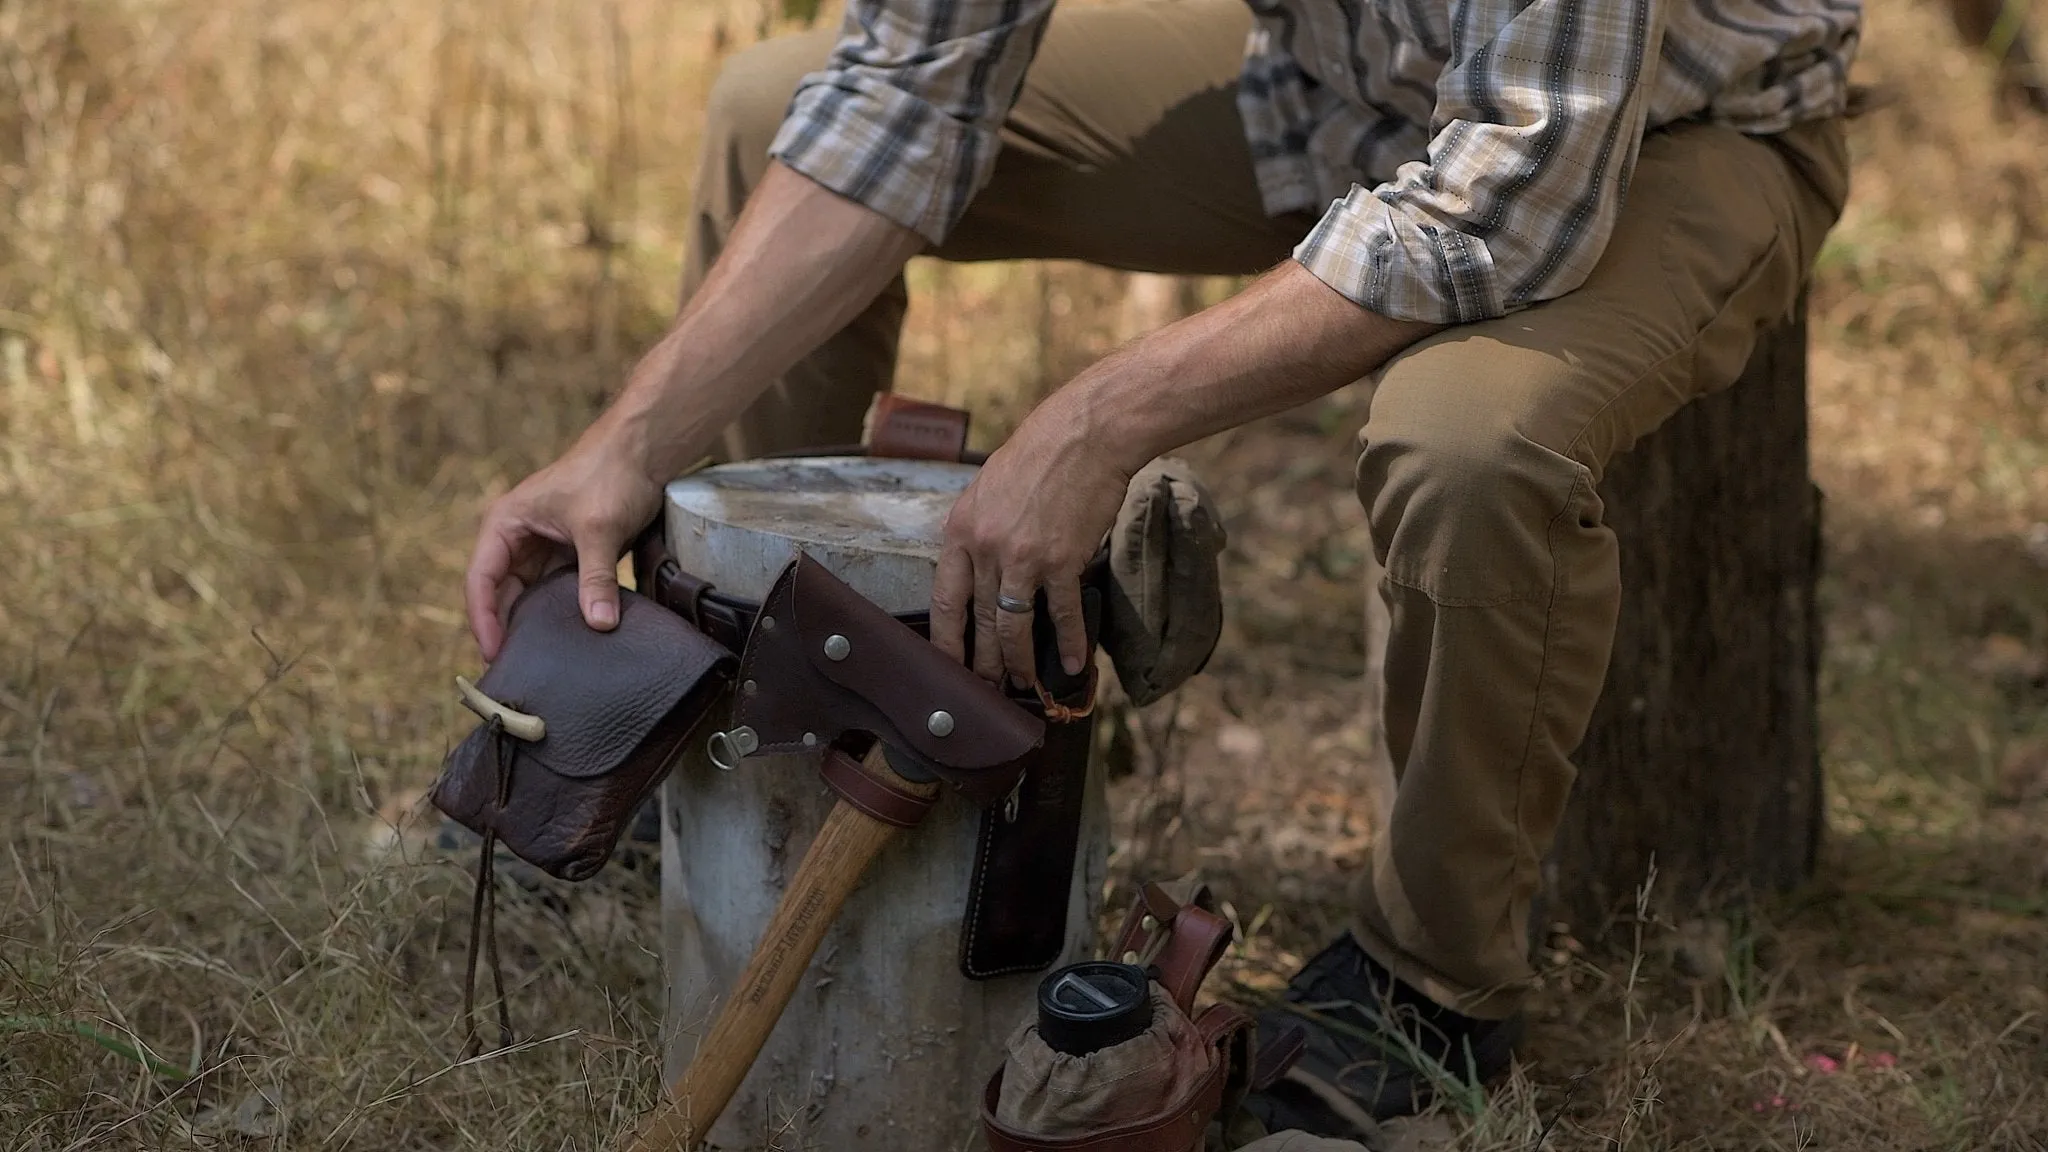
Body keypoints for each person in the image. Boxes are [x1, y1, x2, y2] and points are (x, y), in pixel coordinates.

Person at [461, 0, 1856, 1135]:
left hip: (1654, 137)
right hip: (1329, 89)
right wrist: (626, 443)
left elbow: (1510, 201)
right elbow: (902, 93)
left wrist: (1096, 416)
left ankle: (1427, 988)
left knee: (1468, 448)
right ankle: (752, 739)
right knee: (772, 105)